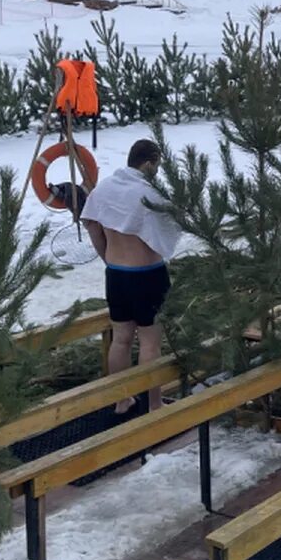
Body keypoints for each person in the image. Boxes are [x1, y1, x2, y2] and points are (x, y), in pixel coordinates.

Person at [81, 139, 182, 413]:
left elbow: (91, 224)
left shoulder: (104, 190)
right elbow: (167, 230)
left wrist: (107, 256)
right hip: (147, 275)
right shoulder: (148, 193)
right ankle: (154, 403)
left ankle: (121, 399)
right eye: (157, 166)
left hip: (116, 274)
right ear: (148, 163)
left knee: (121, 338)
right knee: (150, 342)